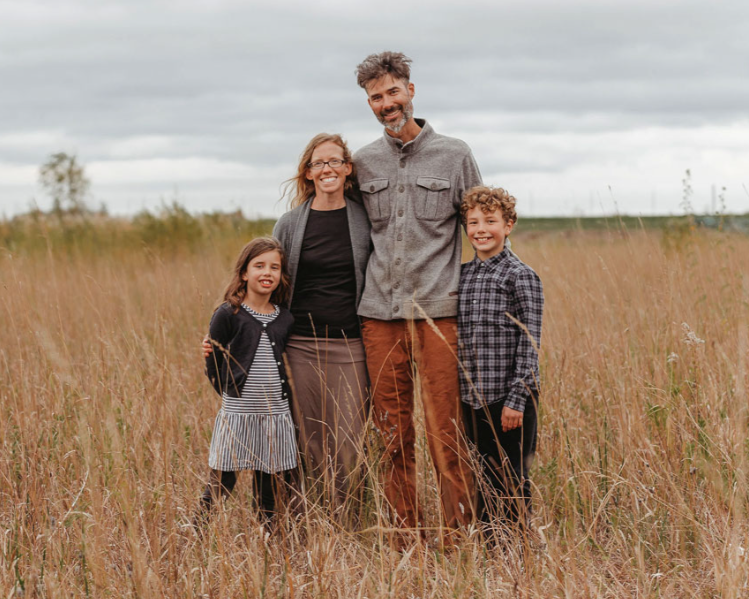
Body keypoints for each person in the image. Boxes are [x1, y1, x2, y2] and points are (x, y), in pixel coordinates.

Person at [352, 51, 481, 539]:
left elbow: (481, 229)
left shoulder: (456, 155)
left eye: (392, 92)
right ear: (368, 103)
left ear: (411, 90)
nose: (386, 104)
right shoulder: (362, 163)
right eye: (375, 97)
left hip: (439, 313)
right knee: (391, 434)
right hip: (379, 316)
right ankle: (405, 535)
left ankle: (458, 535)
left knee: (445, 431)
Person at [272, 133, 371, 515]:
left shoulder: (364, 221)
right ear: (308, 173)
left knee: (348, 440)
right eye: (318, 163)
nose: (326, 169)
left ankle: (345, 521)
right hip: (299, 346)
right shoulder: (290, 224)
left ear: (347, 169)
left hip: (350, 346)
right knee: (307, 437)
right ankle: (305, 519)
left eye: (334, 162)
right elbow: (270, 280)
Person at [458, 186, 544, 539]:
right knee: (482, 474)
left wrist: (516, 400)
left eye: (490, 221)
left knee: (511, 476)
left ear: (508, 225)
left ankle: (516, 548)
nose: (481, 229)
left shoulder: (520, 275)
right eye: (473, 221)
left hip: (509, 401)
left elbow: (530, 342)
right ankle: (491, 544)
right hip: (471, 397)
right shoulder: (461, 275)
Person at [196, 236, 300, 527]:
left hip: (275, 415)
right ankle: (198, 531)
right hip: (238, 414)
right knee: (221, 481)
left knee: (269, 486)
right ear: (244, 272)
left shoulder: (285, 318)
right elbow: (213, 357)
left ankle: (269, 537)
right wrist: (229, 390)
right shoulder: (229, 313)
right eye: (259, 266)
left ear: (281, 276)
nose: (267, 273)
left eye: (275, 267)